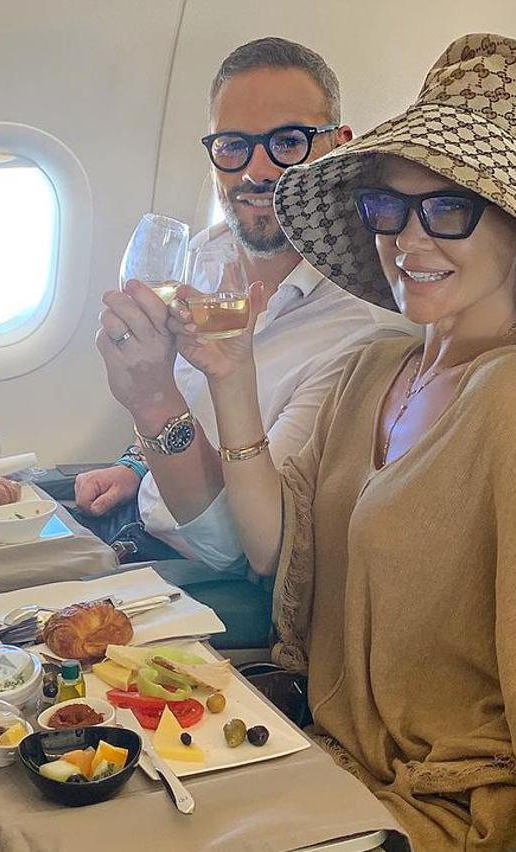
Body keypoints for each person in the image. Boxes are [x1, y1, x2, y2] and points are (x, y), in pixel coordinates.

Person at [169, 34, 516, 850]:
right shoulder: (371, 366)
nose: (409, 241)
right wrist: (231, 374)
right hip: (332, 763)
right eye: (390, 208)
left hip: (449, 805)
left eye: (449, 209)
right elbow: (274, 548)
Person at [77, 37, 415, 569]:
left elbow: (241, 546)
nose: (256, 171)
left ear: (338, 146)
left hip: (210, 577)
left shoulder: (366, 331)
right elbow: (196, 417)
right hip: (136, 517)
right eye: (233, 145)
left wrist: (152, 399)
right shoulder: (202, 255)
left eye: (288, 142)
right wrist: (137, 465)